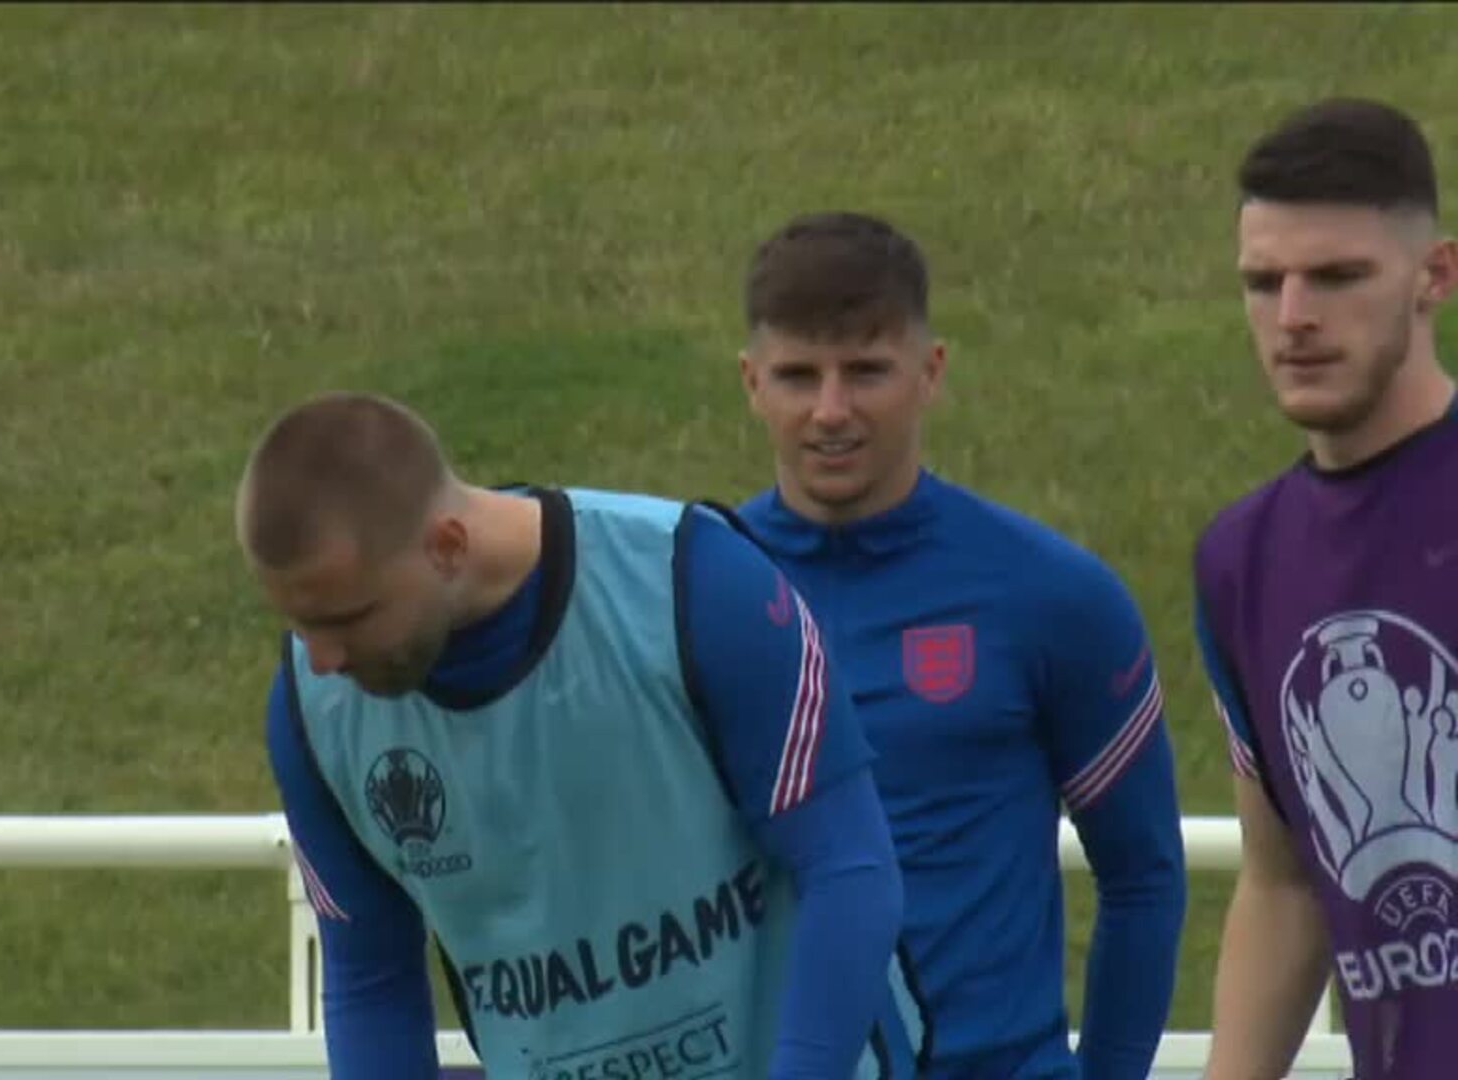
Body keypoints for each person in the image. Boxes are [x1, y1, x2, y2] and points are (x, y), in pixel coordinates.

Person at [239, 391, 927, 1080]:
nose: (323, 658)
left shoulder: (695, 586)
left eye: (349, 618)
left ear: (447, 546)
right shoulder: (314, 711)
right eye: (302, 625)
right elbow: (371, 978)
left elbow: (849, 869)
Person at [730, 212, 1188, 1079]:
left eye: (867, 371)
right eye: (798, 376)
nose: (831, 411)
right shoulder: (690, 594)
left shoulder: (1052, 597)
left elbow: (1145, 878)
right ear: (752, 383)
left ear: (930, 373)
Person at [1194, 97, 1458, 1080]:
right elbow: (1283, 883)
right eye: (1264, 283)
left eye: (1338, 277)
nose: (1294, 317)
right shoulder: (1242, 558)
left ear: (1436, 276)